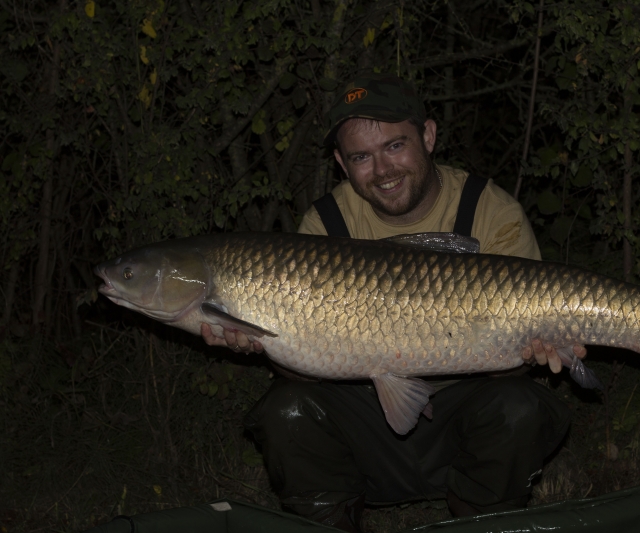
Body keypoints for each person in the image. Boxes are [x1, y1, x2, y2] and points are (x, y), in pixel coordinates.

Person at [201, 74, 586, 532]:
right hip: (363, 426)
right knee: (287, 408)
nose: (382, 170)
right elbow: (299, 365)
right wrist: (262, 344)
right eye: (362, 157)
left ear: (427, 135)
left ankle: (480, 518)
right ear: (342, 163)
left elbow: (510, 361)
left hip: (463, 420)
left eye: (395, 146)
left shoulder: (490, 211)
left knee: (519, 404)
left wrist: (530, 353)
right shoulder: (324, 224)